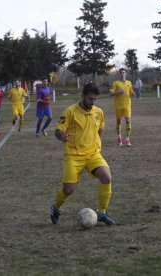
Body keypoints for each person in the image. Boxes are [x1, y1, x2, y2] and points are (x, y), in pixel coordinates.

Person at [50, 82, 115, 225]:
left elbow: (101, 129)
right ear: (83, 96)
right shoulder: (70, 112)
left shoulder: (98, 112)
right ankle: (55, 207)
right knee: (68, 190)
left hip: (92, 154)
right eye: (90, 99)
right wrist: (63, 137)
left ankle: (102, 213)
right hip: (73, 156)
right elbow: (57, 131)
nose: (92, 102)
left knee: (106, 177)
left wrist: (98, 144)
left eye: (95, 99)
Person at [109, 68, 134, 147]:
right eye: (121, 73)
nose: (122, 74)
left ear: (126, 73)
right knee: (119, 122)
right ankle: (119, 137)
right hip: (118, 105)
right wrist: (117, 92)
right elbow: (110, 94)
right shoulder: (115, 83)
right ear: (119, 74)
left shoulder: (129, 83)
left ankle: (127, 139)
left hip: (127, 105)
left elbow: (130, 92)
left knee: (128, 121)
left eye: (123, 72)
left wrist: (132, 93)